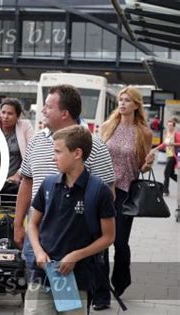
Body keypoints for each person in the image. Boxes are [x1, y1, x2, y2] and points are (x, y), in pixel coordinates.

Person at [13, 84, 115, 310]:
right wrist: (18, 223)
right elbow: (27, 182)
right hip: (39, 237)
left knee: (71, 305)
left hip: (76, 244)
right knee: (38, 300)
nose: (43, 111)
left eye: (48, 107)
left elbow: (108, 193)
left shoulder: (94, 146)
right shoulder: (37, 141)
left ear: (64, 113)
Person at [26, 125, 115, 315]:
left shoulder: (99, 190)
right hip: (42, 274)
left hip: (77, 278)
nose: (53, 157)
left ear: (77, 153)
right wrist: (38, 251)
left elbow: (108, 237)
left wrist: (76, 255)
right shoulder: (48, 184)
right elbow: (32, 224)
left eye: (58, 151)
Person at [93, 86, 154, 310]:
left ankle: (120, 280)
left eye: (127, 100)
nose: (122, 104)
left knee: (119, 242)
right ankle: (101, 290)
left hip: (126, 192)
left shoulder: (143, 132)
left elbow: (142, 168)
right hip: (103, 188)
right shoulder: (108, 126)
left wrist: (148, 163)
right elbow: (98, 154)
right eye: (121, 100)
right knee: (100, 242)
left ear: (136, 105)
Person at [0, 98, 33, 185]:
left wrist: (19, 174)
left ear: (17, 116)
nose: (5, 117)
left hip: (15, 183)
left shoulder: (25, 126)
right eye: (3, 112)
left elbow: (32, 154)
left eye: (10, 113)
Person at [150, 116, 180, 196]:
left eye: (170, 125)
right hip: (168, 155)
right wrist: (154, 149)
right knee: (170, 174)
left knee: (166, 172)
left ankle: (165, 191)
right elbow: (164, 144)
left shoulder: (176, 134)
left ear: (174, 126)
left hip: (173, 156)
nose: (169, 127)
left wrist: (173, 144)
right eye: (168, 125)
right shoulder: (167, 133)